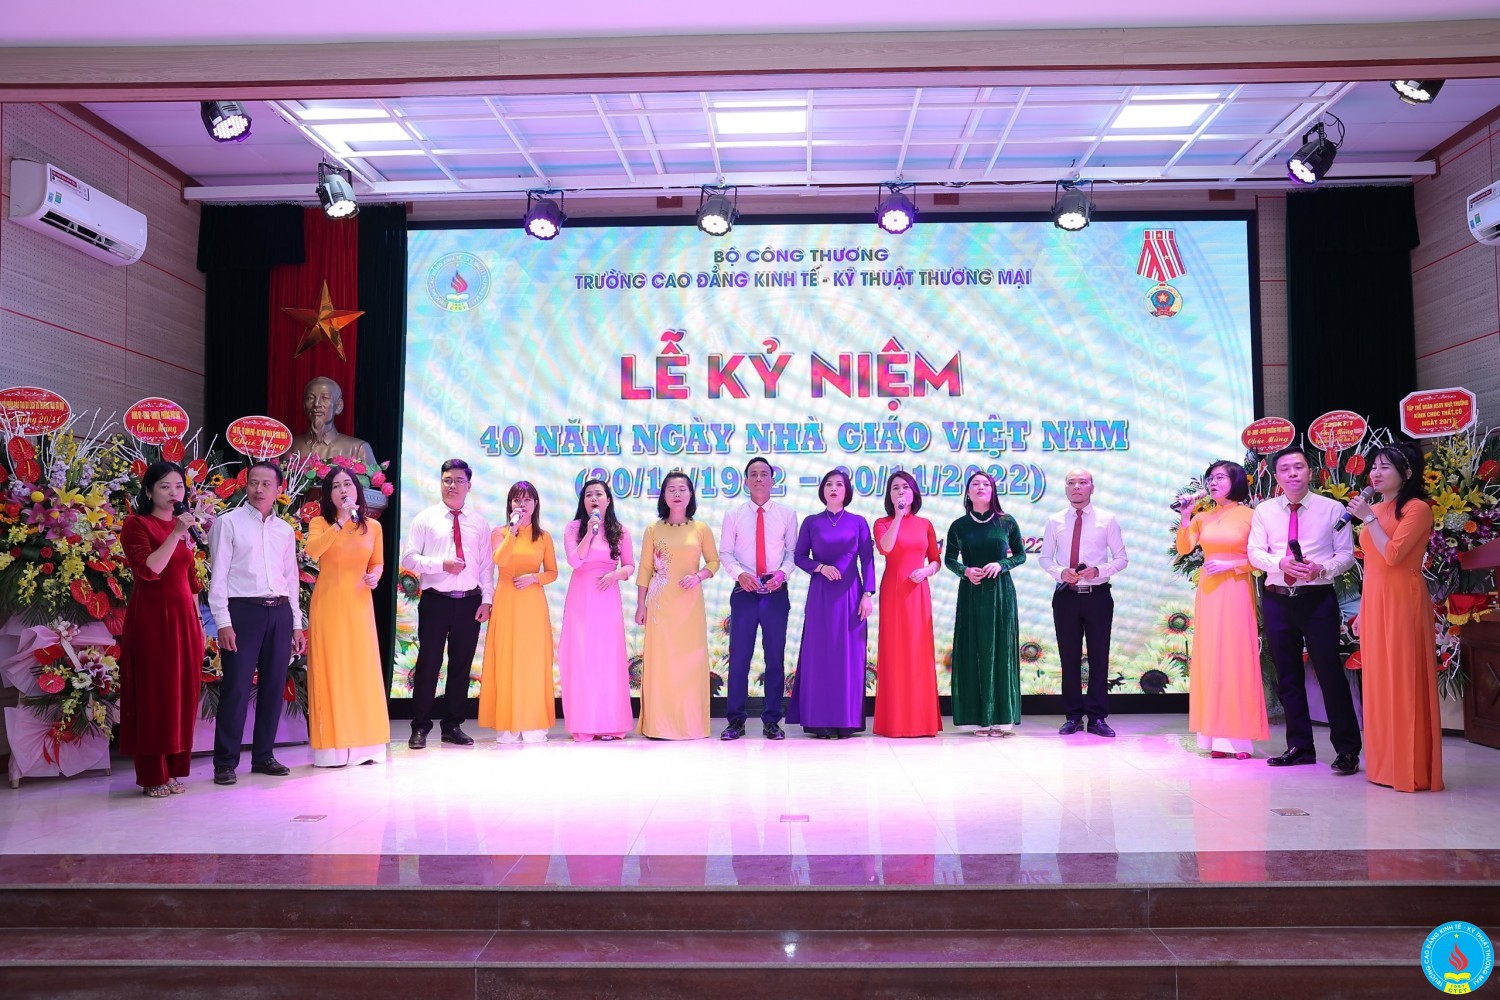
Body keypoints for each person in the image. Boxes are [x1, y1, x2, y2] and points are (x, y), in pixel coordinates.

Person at [1248, 445, 1361, 775]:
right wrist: (1279, 563)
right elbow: (1254, 553)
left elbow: (1346, 556)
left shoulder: (1332, 508)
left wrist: (1321, 569)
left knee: (1329, 673)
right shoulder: (1264, 511)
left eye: (1298, 467)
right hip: (1277, 598)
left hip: (1317, 599)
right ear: (1276, 476)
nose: (1292, 473)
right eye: (1285, 469)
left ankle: (1347, 750)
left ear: (1310, 472)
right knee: (1287, 676)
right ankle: (1299, 747)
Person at [1347, 443, 1443, 792]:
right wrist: (1363, 608)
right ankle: (1383, 766)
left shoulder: (1418, 509)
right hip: (1375, 600)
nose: (1376, 473)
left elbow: (1393, 555)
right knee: (1379, 683)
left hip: (1403, 600)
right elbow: (1372, 565)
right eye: (1374, 466)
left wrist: (1369, 518)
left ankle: (1409, 768)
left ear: (1407, 473)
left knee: (1403, 680)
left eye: (1385, 467)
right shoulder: (1375, 508)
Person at [208, 460, 306, 785]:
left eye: (266, 484)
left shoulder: (285, 530)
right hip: (243, 612)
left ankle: (264, 755)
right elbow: (218, 577)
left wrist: (296, 624)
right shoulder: (228, 523)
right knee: (236, 687)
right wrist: (223, 622)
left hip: (279, 611)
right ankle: (225, 762)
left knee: (274, 687)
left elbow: (291, 579)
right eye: (253, 483)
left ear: (279, 489)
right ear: (245, 485)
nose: (259, 489)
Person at [118, 461, 204, 797]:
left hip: (185, 623)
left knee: (180, 696)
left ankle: (173, 769)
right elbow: (149, 570)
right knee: (155, 695)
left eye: (179, 486)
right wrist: (176, 534)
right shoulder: (136, 524)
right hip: (152, 621)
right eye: (165, 486)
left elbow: (191, 580)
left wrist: (199, 624)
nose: (173, 493)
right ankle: (153, 774)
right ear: (149, 491)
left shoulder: (183, 528)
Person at [1175, 461, 1268, 759]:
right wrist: (1186, 516)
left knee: (1236, 658)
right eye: (1210, 479)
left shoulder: (1251, 516)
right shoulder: (1203, 517)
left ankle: (1238, 741)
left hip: (1237, 589)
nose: (1213, 483)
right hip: (1209, 593)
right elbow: (1184, 548)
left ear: (1236, 481)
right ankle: (1214, 739)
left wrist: (1233, 565)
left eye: (1220, 478)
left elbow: (1263, 557)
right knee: (1211, 659)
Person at [399, 459, 494, 749]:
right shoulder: (426, 518)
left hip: (469, 601)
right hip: (436, 601)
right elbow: (409, 558)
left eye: (458, 481)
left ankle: (452, 725)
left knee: (461, 666)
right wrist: (441, 564)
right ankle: (420, 726)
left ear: (469, 485)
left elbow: (486, 566)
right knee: (428, 664)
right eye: (447, 480)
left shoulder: (479, 523)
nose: (452, 485)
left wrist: (487, 600)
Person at [304, 465, 388, 767]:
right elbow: (313, 551)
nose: (343, 490)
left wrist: (374, 576)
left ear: (357, 490)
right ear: (329, 494)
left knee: (361, 669)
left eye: (348, 485)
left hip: (360, 604)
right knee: (333, 669)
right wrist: (339, 522)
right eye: (336, 486)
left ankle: (366, 745)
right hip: (329, 604)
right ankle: (333, 748)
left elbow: (377, 563)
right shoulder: (319, 522)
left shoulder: (373, 527)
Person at [1038, 468, 1129, 738]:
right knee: (1069, 657)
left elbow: (1121, 558)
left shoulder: (1107, 520)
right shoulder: (1054, 521)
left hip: (1097, 596)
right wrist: (1060, 572)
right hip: (1065, 596)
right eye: (1071, 482)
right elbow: (1045, 558)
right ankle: (1073, 716)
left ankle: (1098, 717)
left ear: (1092, 487)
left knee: (1099, 657)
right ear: (1065, 488)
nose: (1076, 487)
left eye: (1082, 482)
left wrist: (1099, 570)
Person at [788, 468, 874, 739]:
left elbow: (867, 559)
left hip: (851, 595)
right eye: (829, 484)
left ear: (847, 490)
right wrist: (820, 567)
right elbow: (799, 556)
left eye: (839, 484)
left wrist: (868, 594)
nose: (834, 488)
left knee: (849, 656)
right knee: (820, 655)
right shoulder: (812, 522)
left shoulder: (858, 522)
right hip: (821, 595)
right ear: (822, 490)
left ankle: (846, 720)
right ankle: (819, 721)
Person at [635, 471, 720, 740]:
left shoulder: (701, 529)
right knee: (662, 663)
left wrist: (699, 576)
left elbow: (714, 562)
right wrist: (640, 605)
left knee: (690, 662)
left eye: (682, 489)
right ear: (663, 495)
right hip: (660, 605)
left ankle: (690, 725)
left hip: (690, 604)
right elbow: (645, 568)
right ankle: (659, 726)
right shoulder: (653, 529)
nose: (677, 494)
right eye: (671, 489)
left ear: (691, 494)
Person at [718, 457, 798, 741]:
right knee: (739, 658)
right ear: (745, 481)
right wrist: (740, 574)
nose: (759, 478)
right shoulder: (734, 515)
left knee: (774, 659)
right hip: (745, 592)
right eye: (753, 474)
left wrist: (783, 574)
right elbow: (725, 553)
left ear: (773, 480)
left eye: (764, 474)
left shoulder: (787, 515)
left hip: (776, 592)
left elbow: (791, 553)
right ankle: (735, 721)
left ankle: (772, 721)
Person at [945, 470, 1027, 737]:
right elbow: (949, 560)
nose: (980, 487)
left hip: (1001, 594)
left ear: (993, 491)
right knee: (974, 650)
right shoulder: (959, 525)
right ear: (968, 493)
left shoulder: (1006, 522)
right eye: (975, 484)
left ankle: (1001, 719)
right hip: (972, 592)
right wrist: (965, 571)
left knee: (1000, 650)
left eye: (986, 484)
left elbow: (1021, 556)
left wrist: (1002, 564)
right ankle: (979, 720)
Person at [479, 481, 558, 743]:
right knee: (507, 658)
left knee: (533, 660)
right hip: (506, 600)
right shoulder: (500, 532)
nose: (521, 505)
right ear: (510, 504)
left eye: (527, 500)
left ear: (535, 504)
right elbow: (499, 560)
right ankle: (508, 723)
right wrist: (512, 532)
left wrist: (534, 578)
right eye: (516, 500)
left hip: (533, 602)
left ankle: (533, 722)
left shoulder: (544, 536)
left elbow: (552, 572)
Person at [559, 479, 636, 741]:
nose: (594, 498)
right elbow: (574, 560)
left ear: (608, 500)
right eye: (588, 495)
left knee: (607, 658)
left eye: (599, 494)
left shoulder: (620, 531)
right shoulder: (574, 528)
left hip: (607, 597)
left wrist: (615, 575)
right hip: (581, 597)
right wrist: (590, 533)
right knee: (582, 657)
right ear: (583, 501)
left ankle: (609, 724)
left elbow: (629, 565)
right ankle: (584, 724)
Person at [871, 471, 942, 738]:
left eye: (905, 487)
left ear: (914, 493)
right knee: (894, 652)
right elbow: (886, 548)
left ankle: (921, 721)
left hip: (918, 591)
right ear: (889, 495)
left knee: (918, 651)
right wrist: (899, 517)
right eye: (895, 488)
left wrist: (926, 571)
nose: (900, 492)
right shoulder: (882, 523)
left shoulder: (925, 524)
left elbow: (935, 560)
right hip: (894, 592)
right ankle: (894, 721)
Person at [286, 376, 386, 517]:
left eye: (325, 398)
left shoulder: (359, 448)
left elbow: (375, 497)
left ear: (338, 406)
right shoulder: (289, 447)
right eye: (310, 398)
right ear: (304, 406)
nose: (317, 404)